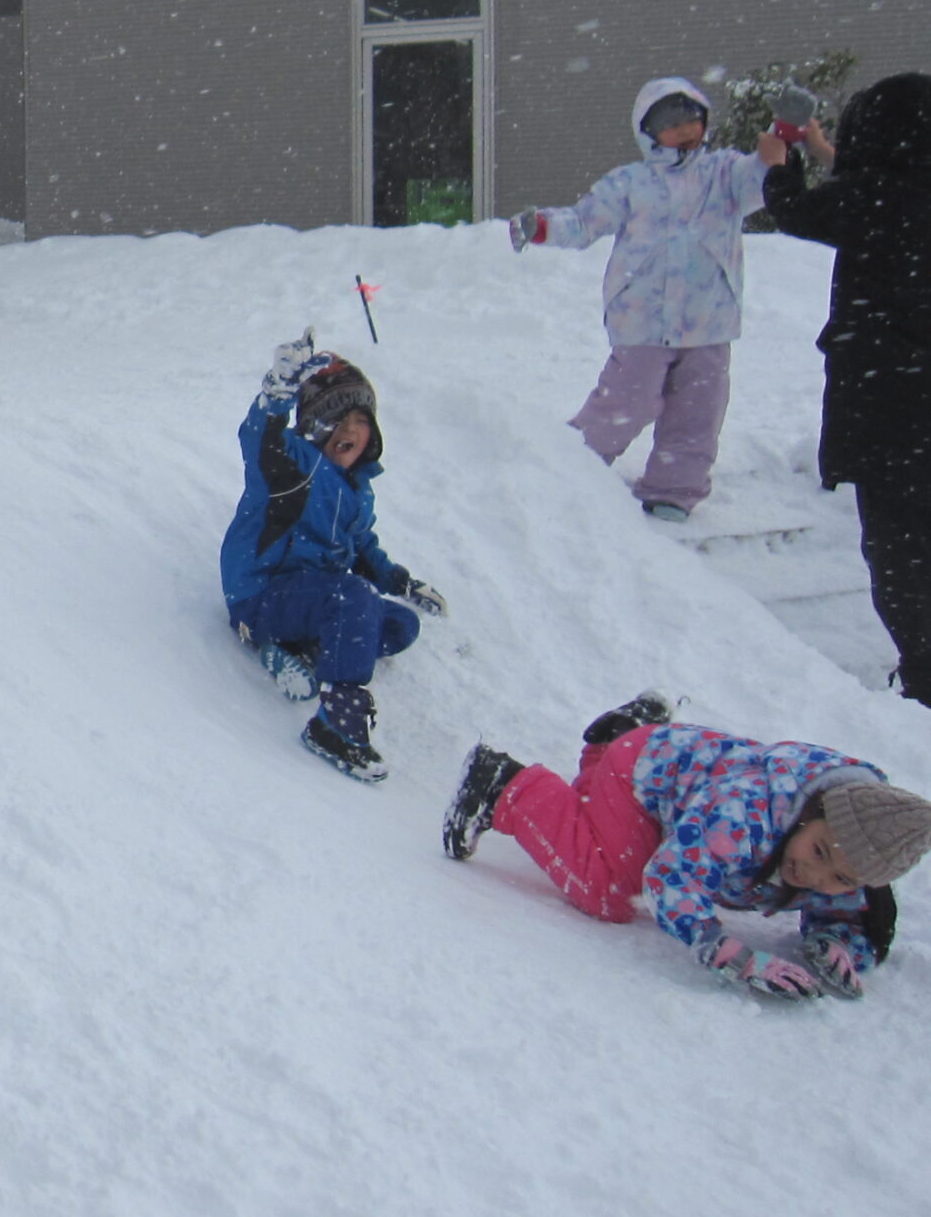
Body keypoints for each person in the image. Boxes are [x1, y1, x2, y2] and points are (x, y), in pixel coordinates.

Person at [443, 694, 930, 1000]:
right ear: (813, 812)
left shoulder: (853, 846)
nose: (816, 877)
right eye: (819, 852)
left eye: (842, 879)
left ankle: (617, 733)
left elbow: (852, 911)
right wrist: (726, 951)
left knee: (625, 857)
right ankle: (506, 787)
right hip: (642, 778)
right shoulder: (744, 816)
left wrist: (838, 944)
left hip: (682, 788)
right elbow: (670, 880)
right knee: (611, 890)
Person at [506, 78, 773, 522]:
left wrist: (784, 136)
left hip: (709, 320)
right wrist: (543, 227)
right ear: (648, 133)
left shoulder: (725, 174)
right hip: (643, 320)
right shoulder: (631, 183)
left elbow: (766, 180)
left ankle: (674, 488)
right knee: (624, 402)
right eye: (670, 123)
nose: (685, 130)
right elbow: (585, 221)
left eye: (692, 119)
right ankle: (571, 465)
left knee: (698, 413)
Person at [761, 72, 931, 703]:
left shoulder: (873, 196)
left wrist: (780, 165)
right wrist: (832, 155)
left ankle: (924, 674)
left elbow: (800, 211)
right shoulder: (897, 189)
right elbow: (880, 190)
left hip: (888, 404)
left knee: (900, 550)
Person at [222, 335, 448, 781]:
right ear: (312, 427)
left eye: (360, 419)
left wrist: (399, 581)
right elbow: (258, 439)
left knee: (400, 626)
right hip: (262, 594)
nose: (349, 430)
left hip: (311, 598)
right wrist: (276, 396)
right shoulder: (290, 467)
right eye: (335, 417)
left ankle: (295, 646)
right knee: (351, 598)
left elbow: (363, 548)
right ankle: (335, 723)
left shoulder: (357, 489)